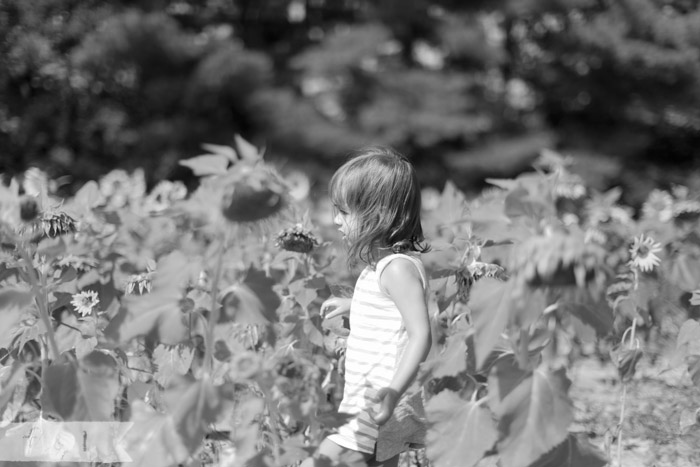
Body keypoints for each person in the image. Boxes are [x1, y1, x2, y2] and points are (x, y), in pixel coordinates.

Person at [302, 146, 432, 467]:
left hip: (377, 402)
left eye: (344, 212)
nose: (336, 220)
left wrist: (393, 392)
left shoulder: (396, 269)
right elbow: (392, 314)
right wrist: (352, 305)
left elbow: (419, 335)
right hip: (373, 402)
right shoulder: (382, 267)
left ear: (377, 215)